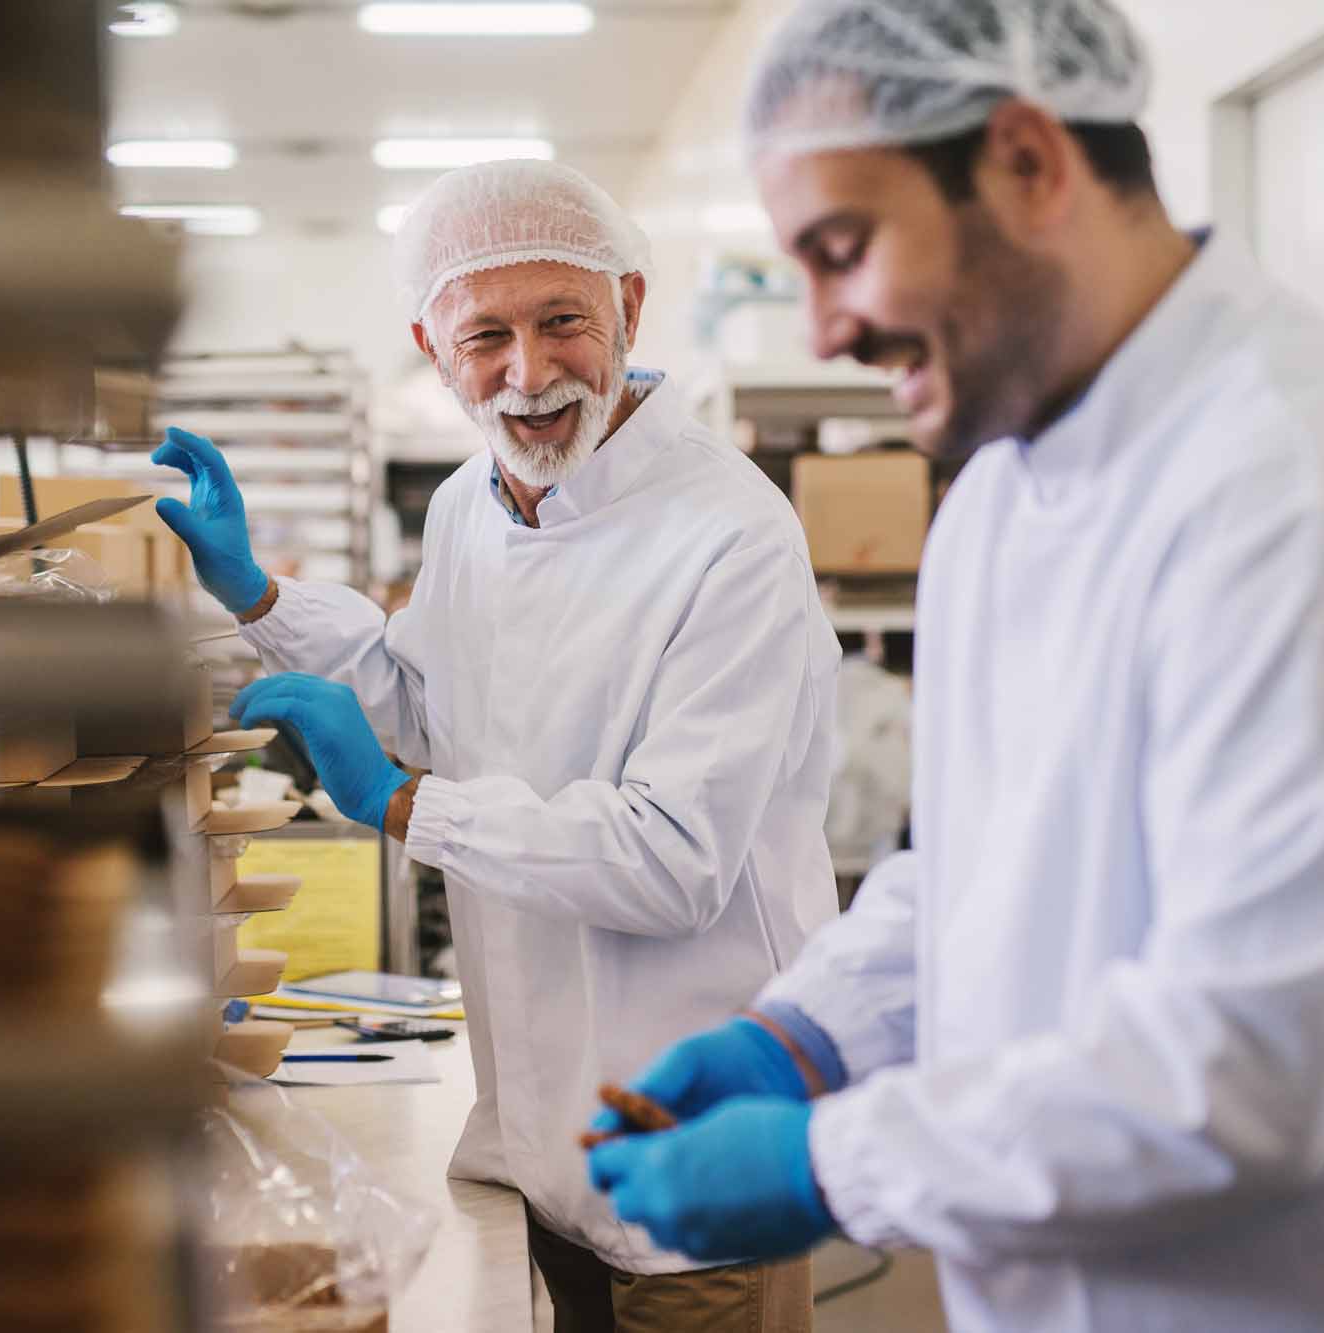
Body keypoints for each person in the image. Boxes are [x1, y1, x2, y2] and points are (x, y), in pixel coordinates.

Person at [585, 2, 1324, 1330]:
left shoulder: (1311, 502)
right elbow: (990, 865)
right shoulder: (1009, 487)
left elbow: (1244, 1068)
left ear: (1028, 163)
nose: (823, 329)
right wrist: (809, 1033)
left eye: (844, 250)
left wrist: (831, 1159)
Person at [153, 159, 839, 1331]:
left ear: (628, 307)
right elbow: (430, 706)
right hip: (538, 1139)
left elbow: (671, 859)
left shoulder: (731, 540)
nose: (527, 375)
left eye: (561, 321)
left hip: (691, 1160)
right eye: (486, 337)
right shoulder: (473, 502)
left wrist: (410, 805)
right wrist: (259, 595)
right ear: (431, 344)